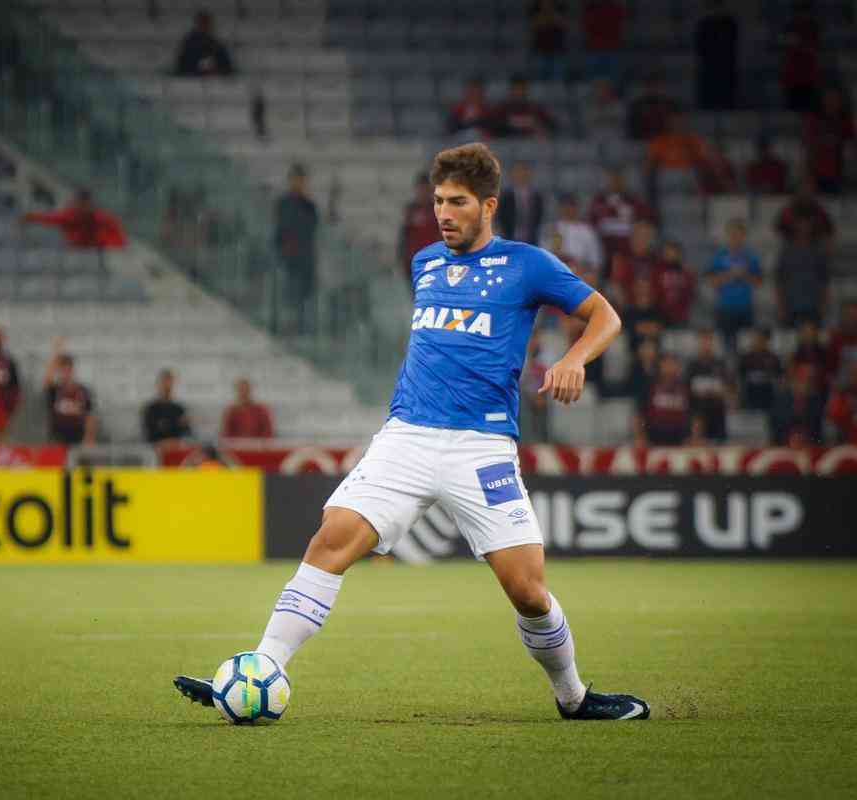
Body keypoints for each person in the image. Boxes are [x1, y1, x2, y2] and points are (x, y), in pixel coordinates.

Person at [172, 143, 649, 721]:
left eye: (457, 202)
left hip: (482, 447)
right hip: (406, 437)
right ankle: (263, 666)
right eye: (438, 201)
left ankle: (573, 697)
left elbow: (606, 316)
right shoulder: (425, 262)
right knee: (332, 538)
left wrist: (574, 358)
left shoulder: (528, 265)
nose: (443, 213)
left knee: (527, 590)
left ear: (489, 205)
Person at [274, 164, 319, 335]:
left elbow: (312, 232)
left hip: (305, 260)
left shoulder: (309, 206)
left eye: (301, 180)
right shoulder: (283, 205)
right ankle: (287, 329)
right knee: (288, 297)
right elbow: (280, 232)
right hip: (288, 260)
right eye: (295, 179)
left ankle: (302, 329)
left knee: (304, 299)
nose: (298, 183)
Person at [706, 219, 762, 348]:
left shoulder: (751, 256)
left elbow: (759, 282)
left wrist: (744, 275)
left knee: (748, 346)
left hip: (746, 308)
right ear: (727, 235)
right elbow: (711, 282)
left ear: (744, 236)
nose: (735, 238)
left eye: (738, 235)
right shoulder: (719, 256)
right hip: (725, 309)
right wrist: (730, 274)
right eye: (732, 234)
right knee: (725, 347)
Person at [587, 166, 655, 262]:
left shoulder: (633, 200)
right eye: (612, 179)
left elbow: (646, 220)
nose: (615, 182)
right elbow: (591, 223)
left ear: (623, 181)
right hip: (603, 248)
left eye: (618, 179)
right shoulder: (599, 201)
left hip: (628, 250)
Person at [20, 188, 127, 249]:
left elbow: (119, 241)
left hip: (99, 253)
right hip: (77, 252)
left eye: (84, 203)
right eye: (78, 202)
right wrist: (30, 217)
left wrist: (107, 246)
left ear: (89, 203)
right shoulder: (70, 215)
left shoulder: (103, 218)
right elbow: (50, 218)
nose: (80, 206)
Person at [775, 215, 830, 326]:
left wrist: (823, 305)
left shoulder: (818, 251)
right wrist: (781, 306)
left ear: (811, 228)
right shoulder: (786, 252)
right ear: (795, 229)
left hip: (813, 305)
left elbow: (824, 281)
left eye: (806, 226)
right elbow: (779, 281)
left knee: (813, 340)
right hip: (790, 305)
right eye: (800, 226)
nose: (803, 230)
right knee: (790, 339)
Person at [634, 352, 696, 447]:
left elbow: (695, 417)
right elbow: (639, 415)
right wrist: (640, 437)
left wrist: (694, 438)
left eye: (672, 364)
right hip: (653, 441)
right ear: (660, 366)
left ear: (678, 367)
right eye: (666, 364)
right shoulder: (650, 386)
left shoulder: (685, 388)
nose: (669, 368)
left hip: (681, 442)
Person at [804, 86, 855, 194]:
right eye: (828, 98)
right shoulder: (813, 119)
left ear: (840, 101)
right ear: (823, 99)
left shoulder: (845, 121)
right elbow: (809, 145)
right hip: (817, 173)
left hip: (838, 173)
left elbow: (850, 144)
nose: (832, 102)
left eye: (835, 98)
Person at [686, 329, 731, 442]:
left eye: (709, 341)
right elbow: (686, 389)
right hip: (698, 412)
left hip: (717, 412)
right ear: (698, 344)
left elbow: (729, 388)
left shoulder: (721, 364)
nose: (706, 345)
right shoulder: (692, 366)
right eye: (703, 341)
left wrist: (720, 392)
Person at [43, 351, 97, 446]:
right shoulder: (55, 390)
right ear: (58, 371)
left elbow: (90, 417)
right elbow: (47, 380)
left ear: (72, 370)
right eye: (62, 370)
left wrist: (89, 438)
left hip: (78, 438)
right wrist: (56, 351)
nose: (65, 374)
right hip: (57, 438)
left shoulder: (82, 391)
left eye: (68, 370)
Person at [693, 1, 739, 110]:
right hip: (709, 68)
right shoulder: (703, 25)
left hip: (726, 68)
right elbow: (700, 47)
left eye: (717, 5)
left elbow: (732, 45)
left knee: (727, 99)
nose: (716, 9)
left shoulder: (730, 23)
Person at [547, 194, 602, 277]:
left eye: (571, 206)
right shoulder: (552, 229)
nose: (568, 209)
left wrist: (584, 268)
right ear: (559, 208)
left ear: (577, 208)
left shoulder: (587, 230)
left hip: (581, 275)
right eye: (564, 206)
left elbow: (596, 261)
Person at [399, 174, 439, 286]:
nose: (423, 193)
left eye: (426, 190)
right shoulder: (410, 211)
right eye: (421, 189)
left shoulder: (437, 211)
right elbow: (404, 237)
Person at [770, 365, 825, 445]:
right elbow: (776, 425)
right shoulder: (781, 400)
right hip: (784, 442)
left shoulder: (815, 401)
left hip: (809, 443)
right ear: (795, 381)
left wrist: (807, 438)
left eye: (810, 381)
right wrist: (790, 437)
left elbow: (817, 428)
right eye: (803, 380)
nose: (806, 384)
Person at [174, 10, 234, 77]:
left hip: (215, 81)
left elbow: (227, 67)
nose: (204, 26)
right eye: (202, 23)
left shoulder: (217, 45)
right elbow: (181, 67)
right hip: (191, 81)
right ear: (197, 24)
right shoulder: (188, 45)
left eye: (206, 23)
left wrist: (215, 70)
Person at [775, 179, 834, 245]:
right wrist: (793, 236)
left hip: (814, 245)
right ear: (798, 192)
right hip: (793, 246)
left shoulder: (819, 210)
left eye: (809, 190)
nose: (806, 192)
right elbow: (779, 228)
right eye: (803, 190)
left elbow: (829, 229)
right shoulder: (789, 209)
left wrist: (818, 236)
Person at [498, 162, 545, 245]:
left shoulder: (537, 197)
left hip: (531, 239)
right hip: (510, 238)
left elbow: (539, 217)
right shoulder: (506, 197)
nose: (521, 175)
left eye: (524, 172)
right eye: (518, 172)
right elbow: (501, 217)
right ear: (512, 175)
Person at [143, 368, 192, 448]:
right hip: (157, 449)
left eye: (170, 383)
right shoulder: (151, 409)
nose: (167, 386)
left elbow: (187, 432)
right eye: (164, 382)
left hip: (176, 448)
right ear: (158, 385)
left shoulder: (179, 409)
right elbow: (149, 434)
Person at [580, 0, 625, 84]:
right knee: (592, 77)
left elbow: (619, 25)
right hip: (595, 48)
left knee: (613, 78)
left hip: (610, 48)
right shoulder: (590, 9)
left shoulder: (615, 8)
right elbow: (586, 26)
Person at [653, 240, 696, 327]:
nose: (670, 254)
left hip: (680, 314)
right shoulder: (657, 270)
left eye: (673, 251)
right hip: (660, 313)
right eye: (667, 251)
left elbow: (690, 292)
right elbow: (654, 290)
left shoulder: (686, 272)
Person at [738, 328, 782, 411]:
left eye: (761, 340)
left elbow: (779, 376)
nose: (758, 342)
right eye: (756, 339)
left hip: (767, 391)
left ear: (766, 341)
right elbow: (741, 375)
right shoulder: (746, 358)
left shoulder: (773, 358)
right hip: (751, 390)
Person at [626, 72, 678, 141]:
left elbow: (676, 127)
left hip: (667, 143)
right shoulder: (637, 105)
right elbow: (632, 130)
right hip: (642, 142)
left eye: (658, 85)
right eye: (651, 85)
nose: (655, 89)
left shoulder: (671, 105)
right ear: (646, 87)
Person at [528, 0, 569, 82]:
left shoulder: (560, 7)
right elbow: (533, 26)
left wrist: (551, 16)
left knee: (557, 81)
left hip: (558, 50)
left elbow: (564, 25)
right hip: (539, 51)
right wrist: (547, 16)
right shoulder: (534, 8)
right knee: (538, 82)